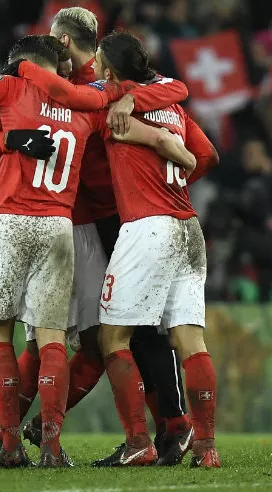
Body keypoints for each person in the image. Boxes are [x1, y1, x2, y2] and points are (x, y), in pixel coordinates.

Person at [0, 34, 195, 468]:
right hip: (60, 227)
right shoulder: (88, 104)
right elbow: (162, 90)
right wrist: (167, 141)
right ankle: (52, 446)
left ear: (26, 63)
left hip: (8, 222)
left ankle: (10, 444)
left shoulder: (12, 87)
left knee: (0, 336)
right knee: (52, 341)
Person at [0, 7, 194, 466]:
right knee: (59, 341)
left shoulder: (101, 85)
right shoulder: (53, 86)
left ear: (64, 43)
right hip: (67, 222)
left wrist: (130, 101)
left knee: (124, 334)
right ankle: (16, 435)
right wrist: (17, 139)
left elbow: (176, 87)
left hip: (107, 220)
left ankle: (163, 429)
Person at [87, 32, 220, 467]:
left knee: (113, 335)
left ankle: (137, 442)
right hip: (188, 226)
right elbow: (208, 156)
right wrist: (176, 180)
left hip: (147, 227)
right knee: (189, 339)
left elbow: (170, 147)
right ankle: (206, 448)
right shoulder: (174, 107)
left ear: (110, 70)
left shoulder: (113, 103)